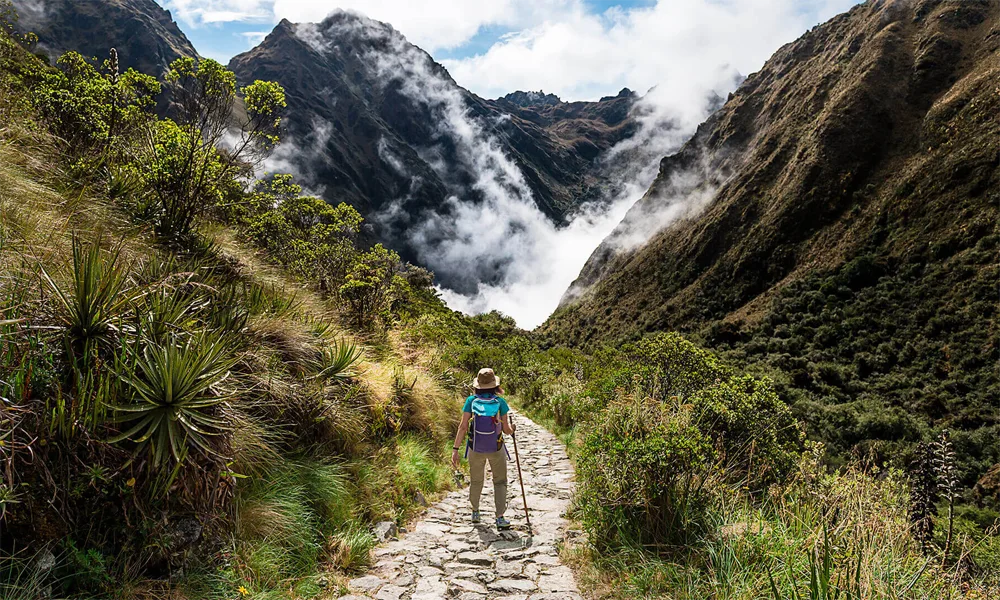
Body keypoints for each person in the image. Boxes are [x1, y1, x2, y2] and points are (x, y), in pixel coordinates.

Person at [452, 368, 516, 530]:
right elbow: (507, 430)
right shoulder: (500, 402)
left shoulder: (471, 401)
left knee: (476, 480)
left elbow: (463, 426)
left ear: (478, 385)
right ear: (495, 385)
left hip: (476, 447)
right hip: (496, 447)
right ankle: (500, 517)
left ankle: (475, 512)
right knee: (500, 482)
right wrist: (513, 428)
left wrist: (455, 449)